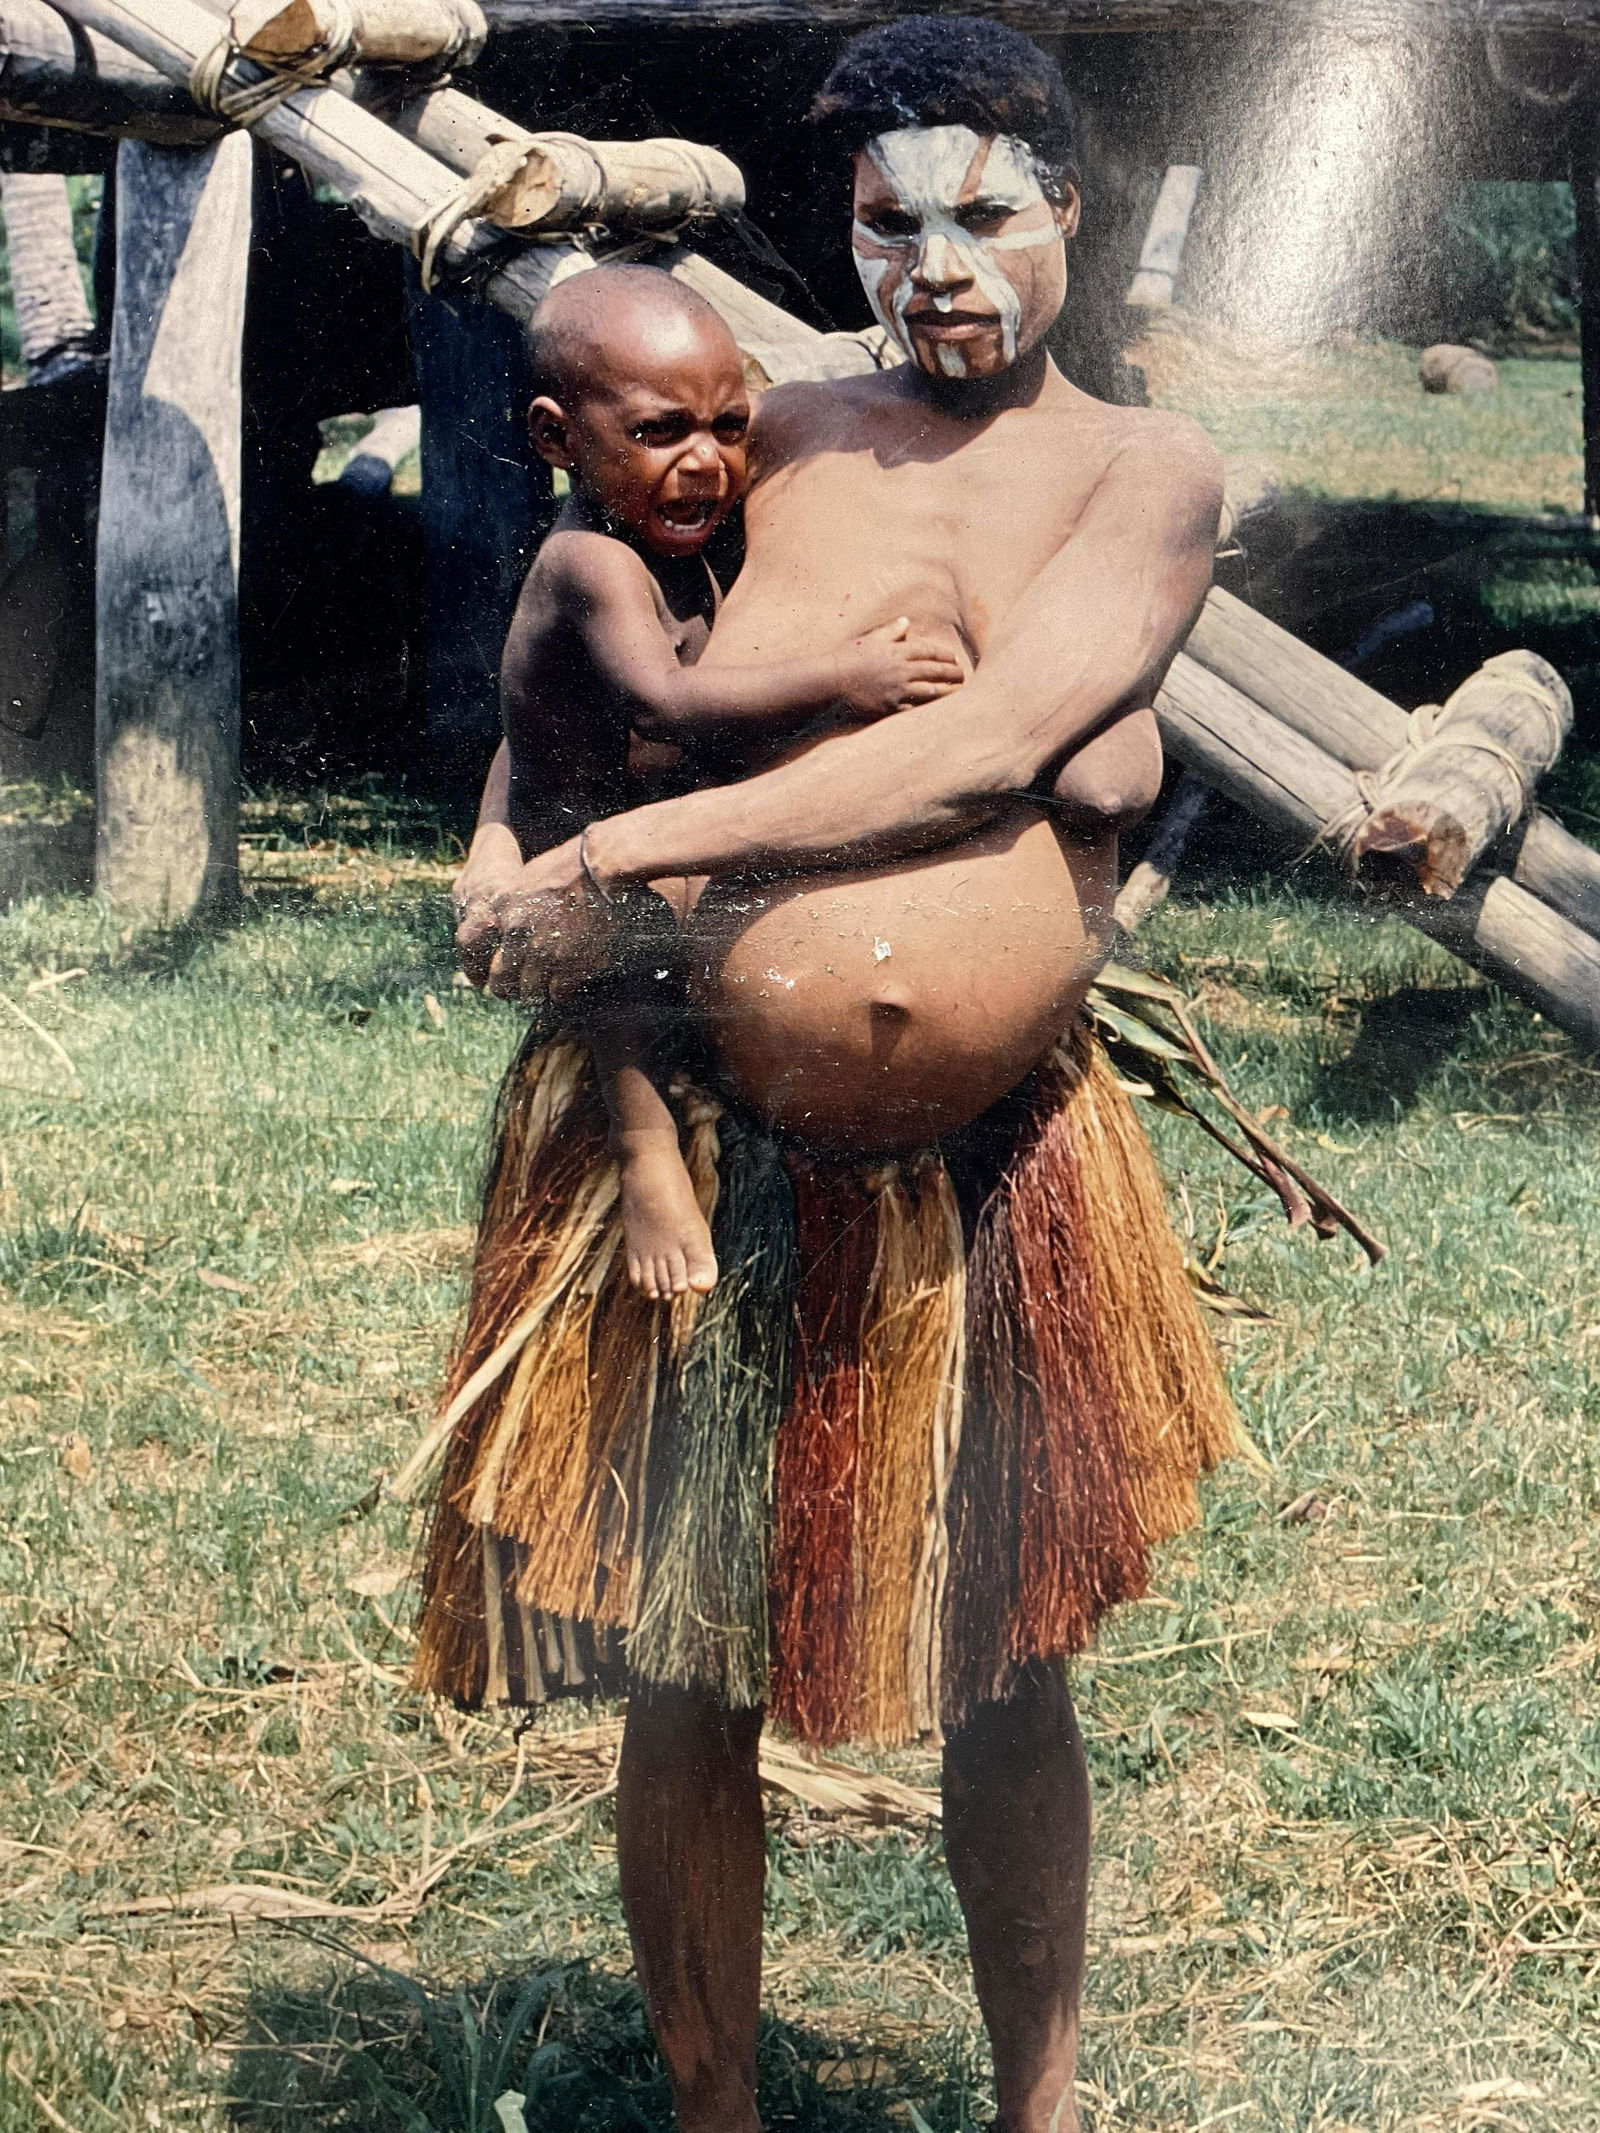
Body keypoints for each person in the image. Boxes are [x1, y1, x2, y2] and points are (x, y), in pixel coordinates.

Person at [414, 20, 1240, 2133]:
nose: (934, 263)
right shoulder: (771, 435)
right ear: (846, 239)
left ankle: (1036, 2105)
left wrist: (620, 852)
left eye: (981, 214)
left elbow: (985, 743)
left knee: (1008, 1648)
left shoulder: (1136, 476)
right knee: (688, 1650)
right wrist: (512, 834)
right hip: (707, 1140)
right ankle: (714, 2108)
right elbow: (590, 656)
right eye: (889, 225)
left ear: (1070, 207)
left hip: (989, 1159)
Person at [454, 265, 963, 1298]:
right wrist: (846, 675)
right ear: (556, 440)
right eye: (657, 434)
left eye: (729, 428)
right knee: (625, 974)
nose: (704, 465)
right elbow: (664, 706)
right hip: (588, 852)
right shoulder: (590, 566)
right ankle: (646, 1155)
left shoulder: (678, 535)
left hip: (664, 830)